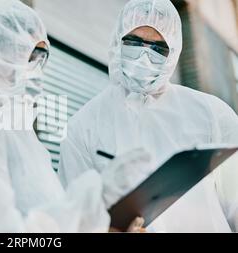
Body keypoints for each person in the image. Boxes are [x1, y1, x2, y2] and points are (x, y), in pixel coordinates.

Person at [0, 0, 119, 232]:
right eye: (28, 55)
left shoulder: (30, 144)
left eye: (41, 59)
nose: (36, 71)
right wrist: (83, 208)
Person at [58, 0, 238, 232]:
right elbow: (74, 219)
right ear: (117, 40)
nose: (144, 56)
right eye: (134, 42)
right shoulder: (83, 126)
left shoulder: (212, 113)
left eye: (157, 48)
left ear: (173, 52)